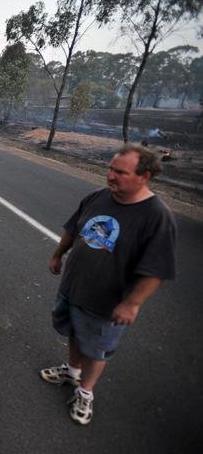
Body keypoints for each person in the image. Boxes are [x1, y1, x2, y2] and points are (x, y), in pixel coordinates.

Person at [41, 144, 176, 425]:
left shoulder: (156, 216)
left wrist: (133, 303)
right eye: (111, 169)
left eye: (120, 172)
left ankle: (85, 392)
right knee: (76, 333)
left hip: (107, 302)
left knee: (97, 348)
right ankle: (72, 371)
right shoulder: (99, 197)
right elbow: (73, 228)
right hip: (74, 286)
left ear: (144, 176)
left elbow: (157, 270)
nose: (111, 176)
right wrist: (57, 255)